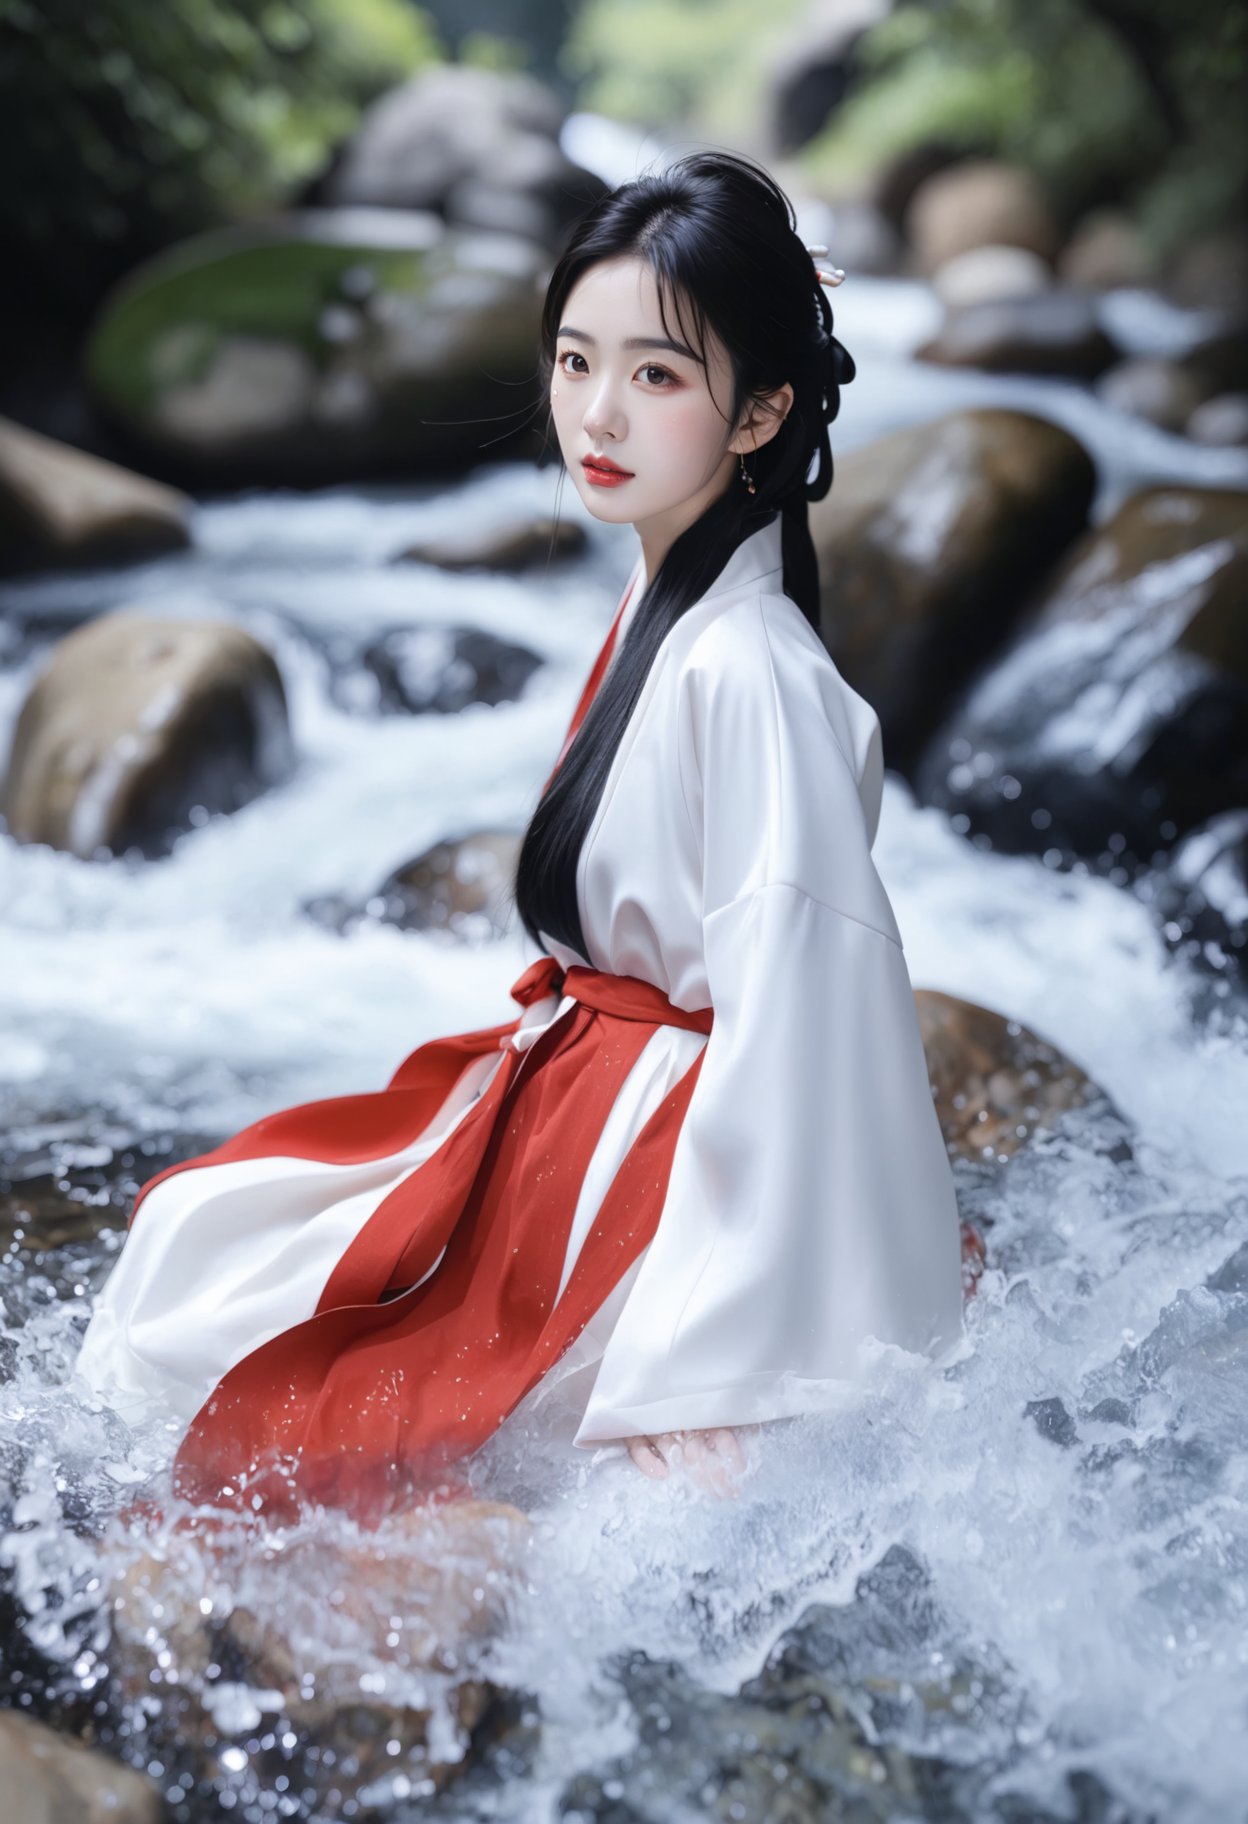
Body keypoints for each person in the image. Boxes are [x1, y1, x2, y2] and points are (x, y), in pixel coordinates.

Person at [73, 150, 971, 1530]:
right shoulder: (672, 597)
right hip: (576, 1092)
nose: (598, 414)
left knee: (248, 1366)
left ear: (762, 411)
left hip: (646, 1154)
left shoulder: (752, 669)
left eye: (659, 377)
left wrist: (703, 1366)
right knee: (201, 1238)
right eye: (574, 361)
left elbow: (807, 1023)